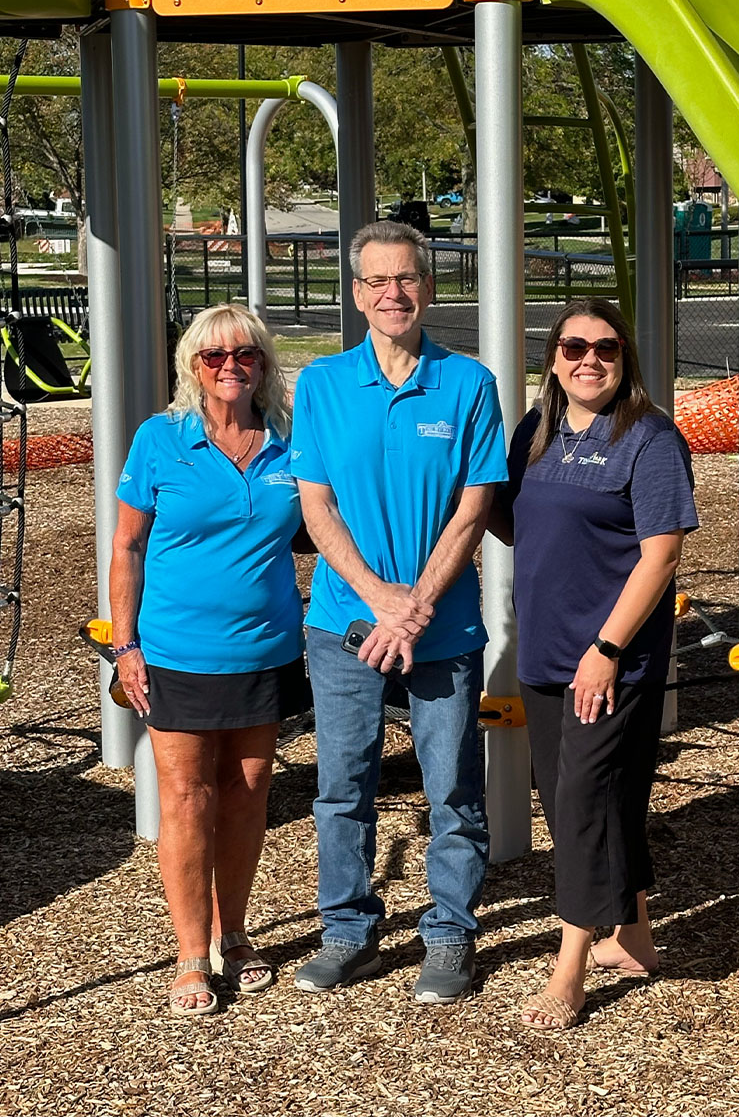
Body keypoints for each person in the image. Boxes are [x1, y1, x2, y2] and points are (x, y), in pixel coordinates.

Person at [290, 221, 507, 1003]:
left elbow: (473, 509)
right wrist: (381, 600)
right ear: (356, 295)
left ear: (429, 286)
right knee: (342, 784)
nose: (393, 294)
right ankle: (347, 930)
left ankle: (449, 934)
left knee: (451, 786)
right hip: (344, 625)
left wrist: (413, 607)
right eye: (377, 282)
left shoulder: (469, 385)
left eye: (406, 278)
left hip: (440, 627)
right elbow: (317, 508)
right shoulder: (320, 384)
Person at [490, 297, 698, 1031]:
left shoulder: (649, 438)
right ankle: (634, 937)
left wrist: (606, 650)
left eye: (605, 348)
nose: (589, 359)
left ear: (624, 358)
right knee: (583, 797)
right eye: (574, 346)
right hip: (545, 652)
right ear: (553, 358)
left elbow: (662, 553)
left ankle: (569, 969)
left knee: (581, 804)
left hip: (610, 660)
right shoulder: (534, 433)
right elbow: (511, 518)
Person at [110, 303, 307, 1017]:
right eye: (214, 356)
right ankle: (192, 954)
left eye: (245, 354)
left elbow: (334, 517)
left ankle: (237, 932)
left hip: (267, 650)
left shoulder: (291, 440)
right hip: (175, 652)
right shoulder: (161, 440)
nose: (231, 367)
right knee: (187, 799)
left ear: (264, 363)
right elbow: (128, 547)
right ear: (192, 365)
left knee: (248, 790)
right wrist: (124, 645)